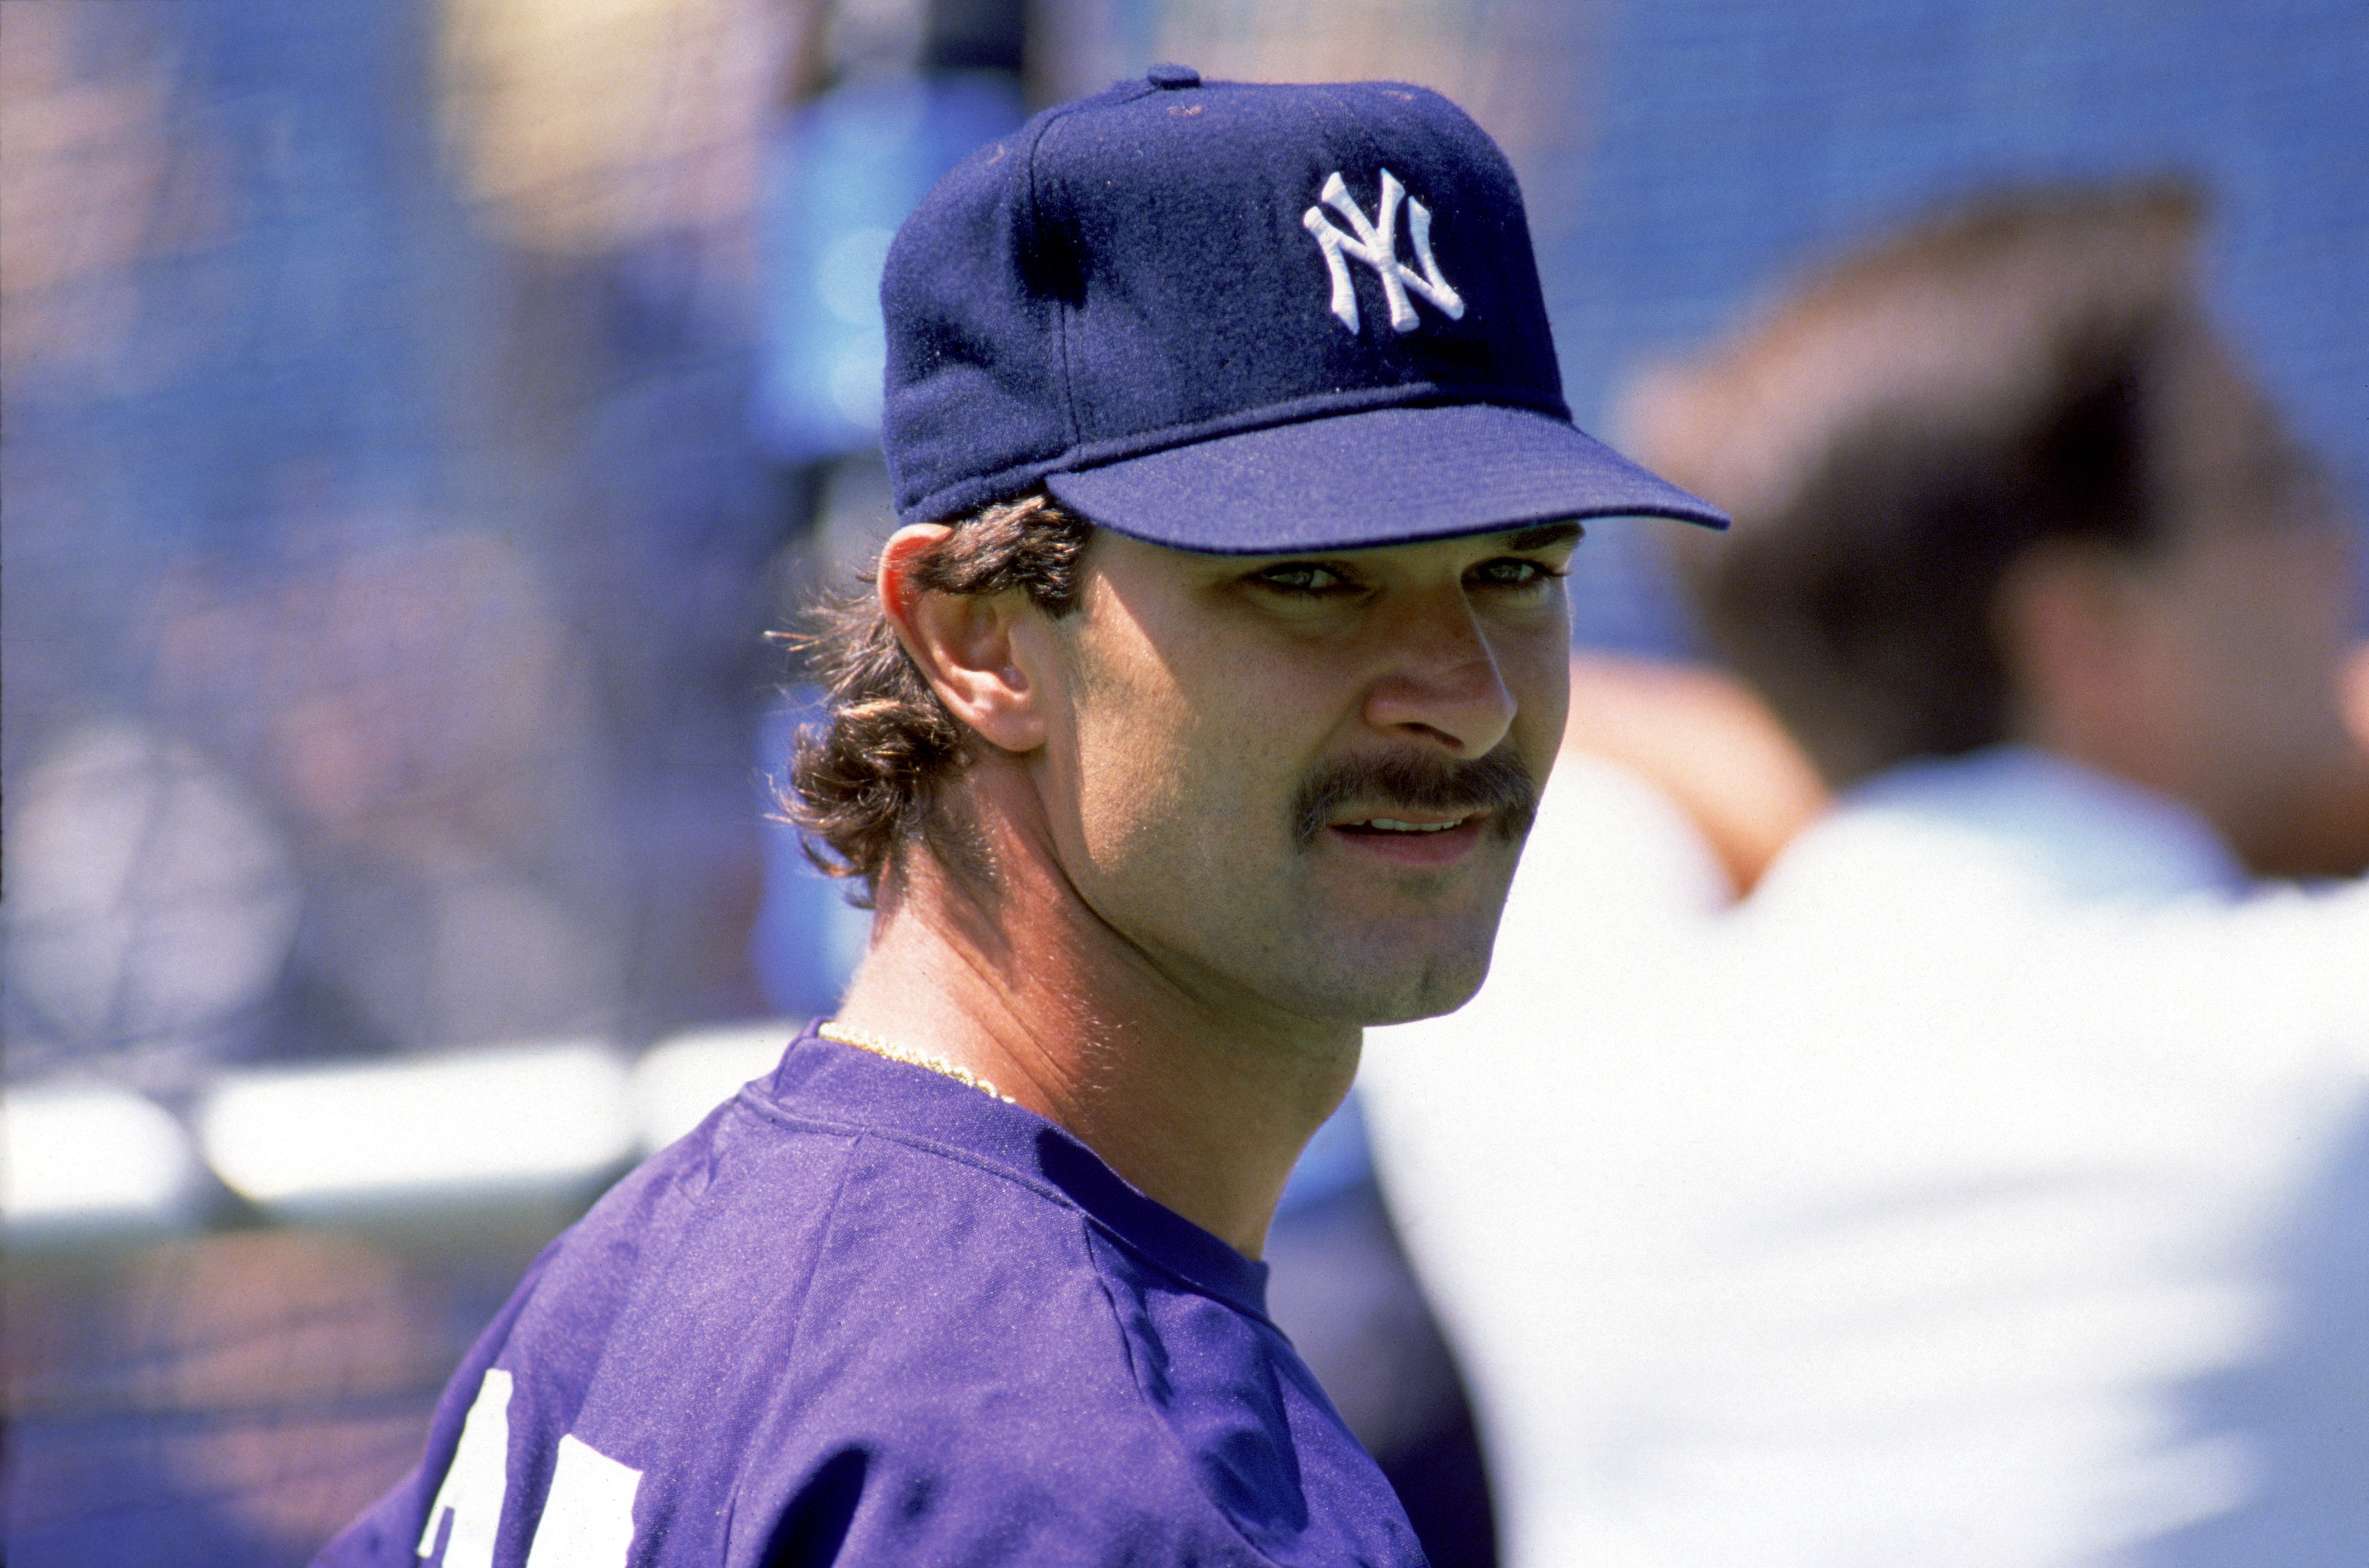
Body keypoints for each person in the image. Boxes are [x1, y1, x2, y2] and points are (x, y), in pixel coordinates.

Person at [315, 67, 1721, 1567]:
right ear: (977, 636)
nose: (1470, 697)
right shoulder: (1113, 1485)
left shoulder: (637, 1278)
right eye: (1309, 579)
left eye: (1517, 569)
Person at [1361, 180, 2369, 1568]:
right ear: (2082, 620)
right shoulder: (2311, 1044)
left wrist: (1861, 746)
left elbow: (1560, 732)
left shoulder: (1541, 1043)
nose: (2330, 546)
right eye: (2273, 479)